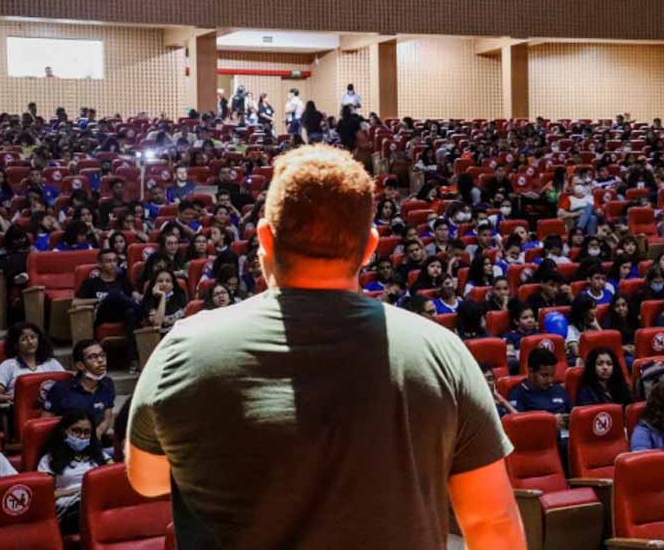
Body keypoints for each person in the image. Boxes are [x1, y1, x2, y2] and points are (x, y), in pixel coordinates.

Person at [126, 145, 524, 549]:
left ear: (265, 236)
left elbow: (147, 479)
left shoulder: (182, 349)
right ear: (370, 247)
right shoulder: (443, 352)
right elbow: (492, 523)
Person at [37, 411, 110, 535]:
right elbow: (45, 496)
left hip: (99, 501)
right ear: (65, 431)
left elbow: (117, 478)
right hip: (70, 507)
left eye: (86, 432)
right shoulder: (49, 459)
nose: (82, 436)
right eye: (76, 431)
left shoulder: (100, 455)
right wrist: (81, 490)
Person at [73, 249, 144, 373]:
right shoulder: (91, 282)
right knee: (114, 295)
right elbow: (75, 302)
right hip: (102, 315)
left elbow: (135, 294)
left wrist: (143, 297)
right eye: (108, 261)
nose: (113, 264)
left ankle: (133, 360)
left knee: (131, 313)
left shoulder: (122, 280)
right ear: (100, 264)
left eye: (115, 261)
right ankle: (145, 312)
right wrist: (98, 300)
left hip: (122, 315)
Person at [42, 340, 115, 441]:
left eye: (102, 355)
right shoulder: (60, 390)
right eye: (93, 357)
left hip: (96, 443)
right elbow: (44, 426)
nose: (100, 360)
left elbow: (107, 418)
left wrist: (98, 432)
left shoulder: (108, 383)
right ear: (80, 365)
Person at [0, 322, 63, 404]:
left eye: (33, 337)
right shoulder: (8, 365)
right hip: (20, 411)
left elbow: (67, 385)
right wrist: (14, 398)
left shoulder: (51, 362)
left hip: (53, 410)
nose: (30, 342)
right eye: (24, 339)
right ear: (15, 344)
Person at [507, 348, 571, 429]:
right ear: (531, 371)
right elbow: (519, 427)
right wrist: (550, 424)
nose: (549, 380)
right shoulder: (517, 393)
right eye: (544, 375)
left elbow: (573, 416)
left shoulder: (559, 390)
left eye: (552, 375)